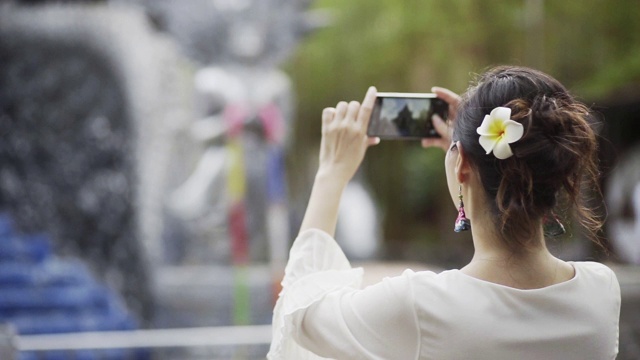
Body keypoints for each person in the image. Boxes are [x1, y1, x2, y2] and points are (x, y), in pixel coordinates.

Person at [267, 66, 621, 360]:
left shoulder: (420, 306)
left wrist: (331, 171)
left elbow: (298, 316)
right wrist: (463, 159)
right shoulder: (600, 291)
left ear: (462, 165)